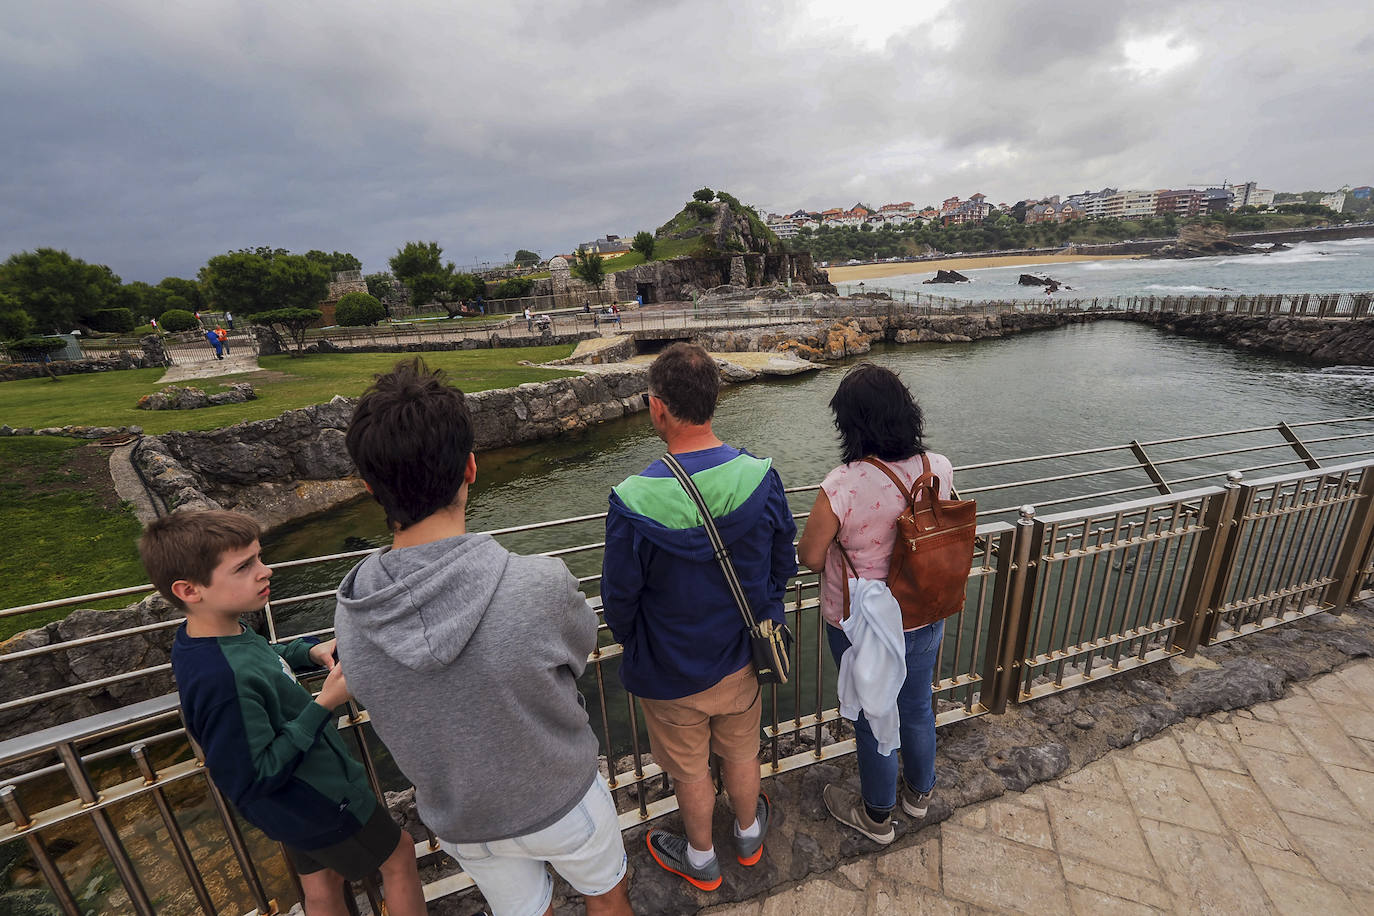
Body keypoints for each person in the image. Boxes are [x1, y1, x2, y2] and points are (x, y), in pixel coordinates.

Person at [334, 359, 632, 916]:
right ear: (471, 468)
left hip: (464, 819)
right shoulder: (538, 582)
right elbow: (579, 646)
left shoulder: (353, 613)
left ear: (371, 487)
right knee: (608, 897)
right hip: (559, 794)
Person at [140, 511, 426, 915]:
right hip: (321, 801)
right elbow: (253, 775)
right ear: (189, 590)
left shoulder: (212, 633)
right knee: (398, 857)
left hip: (294, 808)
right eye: (244, 566)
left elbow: (261, 655)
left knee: (323, 886)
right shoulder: (218, 680)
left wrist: (307, 652)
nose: (265, 570)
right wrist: (323, 704)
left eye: (259, 558)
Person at [601, 343, 797, 892]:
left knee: (688, 769)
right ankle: (749, 835)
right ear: (716, 399)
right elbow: (783, 557)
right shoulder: (760, 476)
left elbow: (619, 599)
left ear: (657, 407)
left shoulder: (632, 499)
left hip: (669, 671)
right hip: (740, 656)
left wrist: (638, 644)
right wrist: (766, 609)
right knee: (740, 750)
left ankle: (703, 860)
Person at [796, 364, 954, 845]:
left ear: (852, 424)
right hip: (923, 609)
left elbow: (809, 558)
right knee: (917, 705)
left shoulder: (842, 484)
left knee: (872, 713)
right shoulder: (937, 467)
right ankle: (918, 795)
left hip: (860, 622)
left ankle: (878, 817)